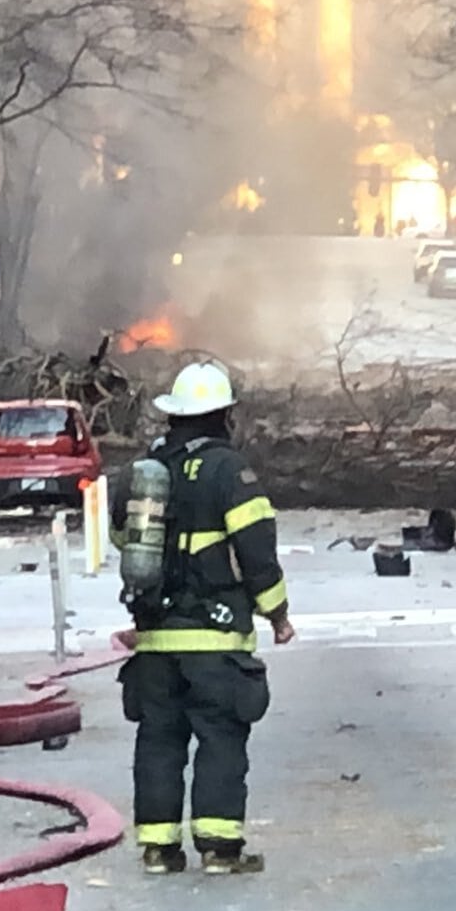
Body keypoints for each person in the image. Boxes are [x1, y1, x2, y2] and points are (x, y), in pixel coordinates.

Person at [113, 360, 295, 876]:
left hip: (155, 638)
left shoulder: (147, 470)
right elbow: (257, 551)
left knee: (158, 741)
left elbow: (125, 542)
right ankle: (219, 849)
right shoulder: (229, 471)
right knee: (219, 737)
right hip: (215, 638)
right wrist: (277, 614)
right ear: (223, 415)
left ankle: (157, 848)